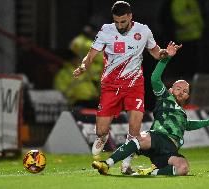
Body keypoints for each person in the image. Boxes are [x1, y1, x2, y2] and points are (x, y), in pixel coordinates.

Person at [92, 41, 209, 176]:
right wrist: (167, 57)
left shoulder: (182, 114)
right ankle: (106, 164)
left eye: (185, 91)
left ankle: (151, 172)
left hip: (170, 149)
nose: (181, 92)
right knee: (141, 138)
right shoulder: (166, 98)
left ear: (187, 96)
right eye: (178, 89)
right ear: (170, 90)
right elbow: (155, 78)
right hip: (158, 138)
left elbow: (189, 125)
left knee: (183, 168)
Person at [73, 1, 168, 174]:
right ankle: (103, 137)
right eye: (116, 21)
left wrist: (165, 53)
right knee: (101, 130)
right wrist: (83, 66)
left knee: (134, 129)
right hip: (110, 86)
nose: (119, 25)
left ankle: (126, 164)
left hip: (134, 86)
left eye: (123, 22)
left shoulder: (143, 31)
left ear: (130, 17)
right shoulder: (105, 31)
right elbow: (91, 54)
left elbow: (155, 53)